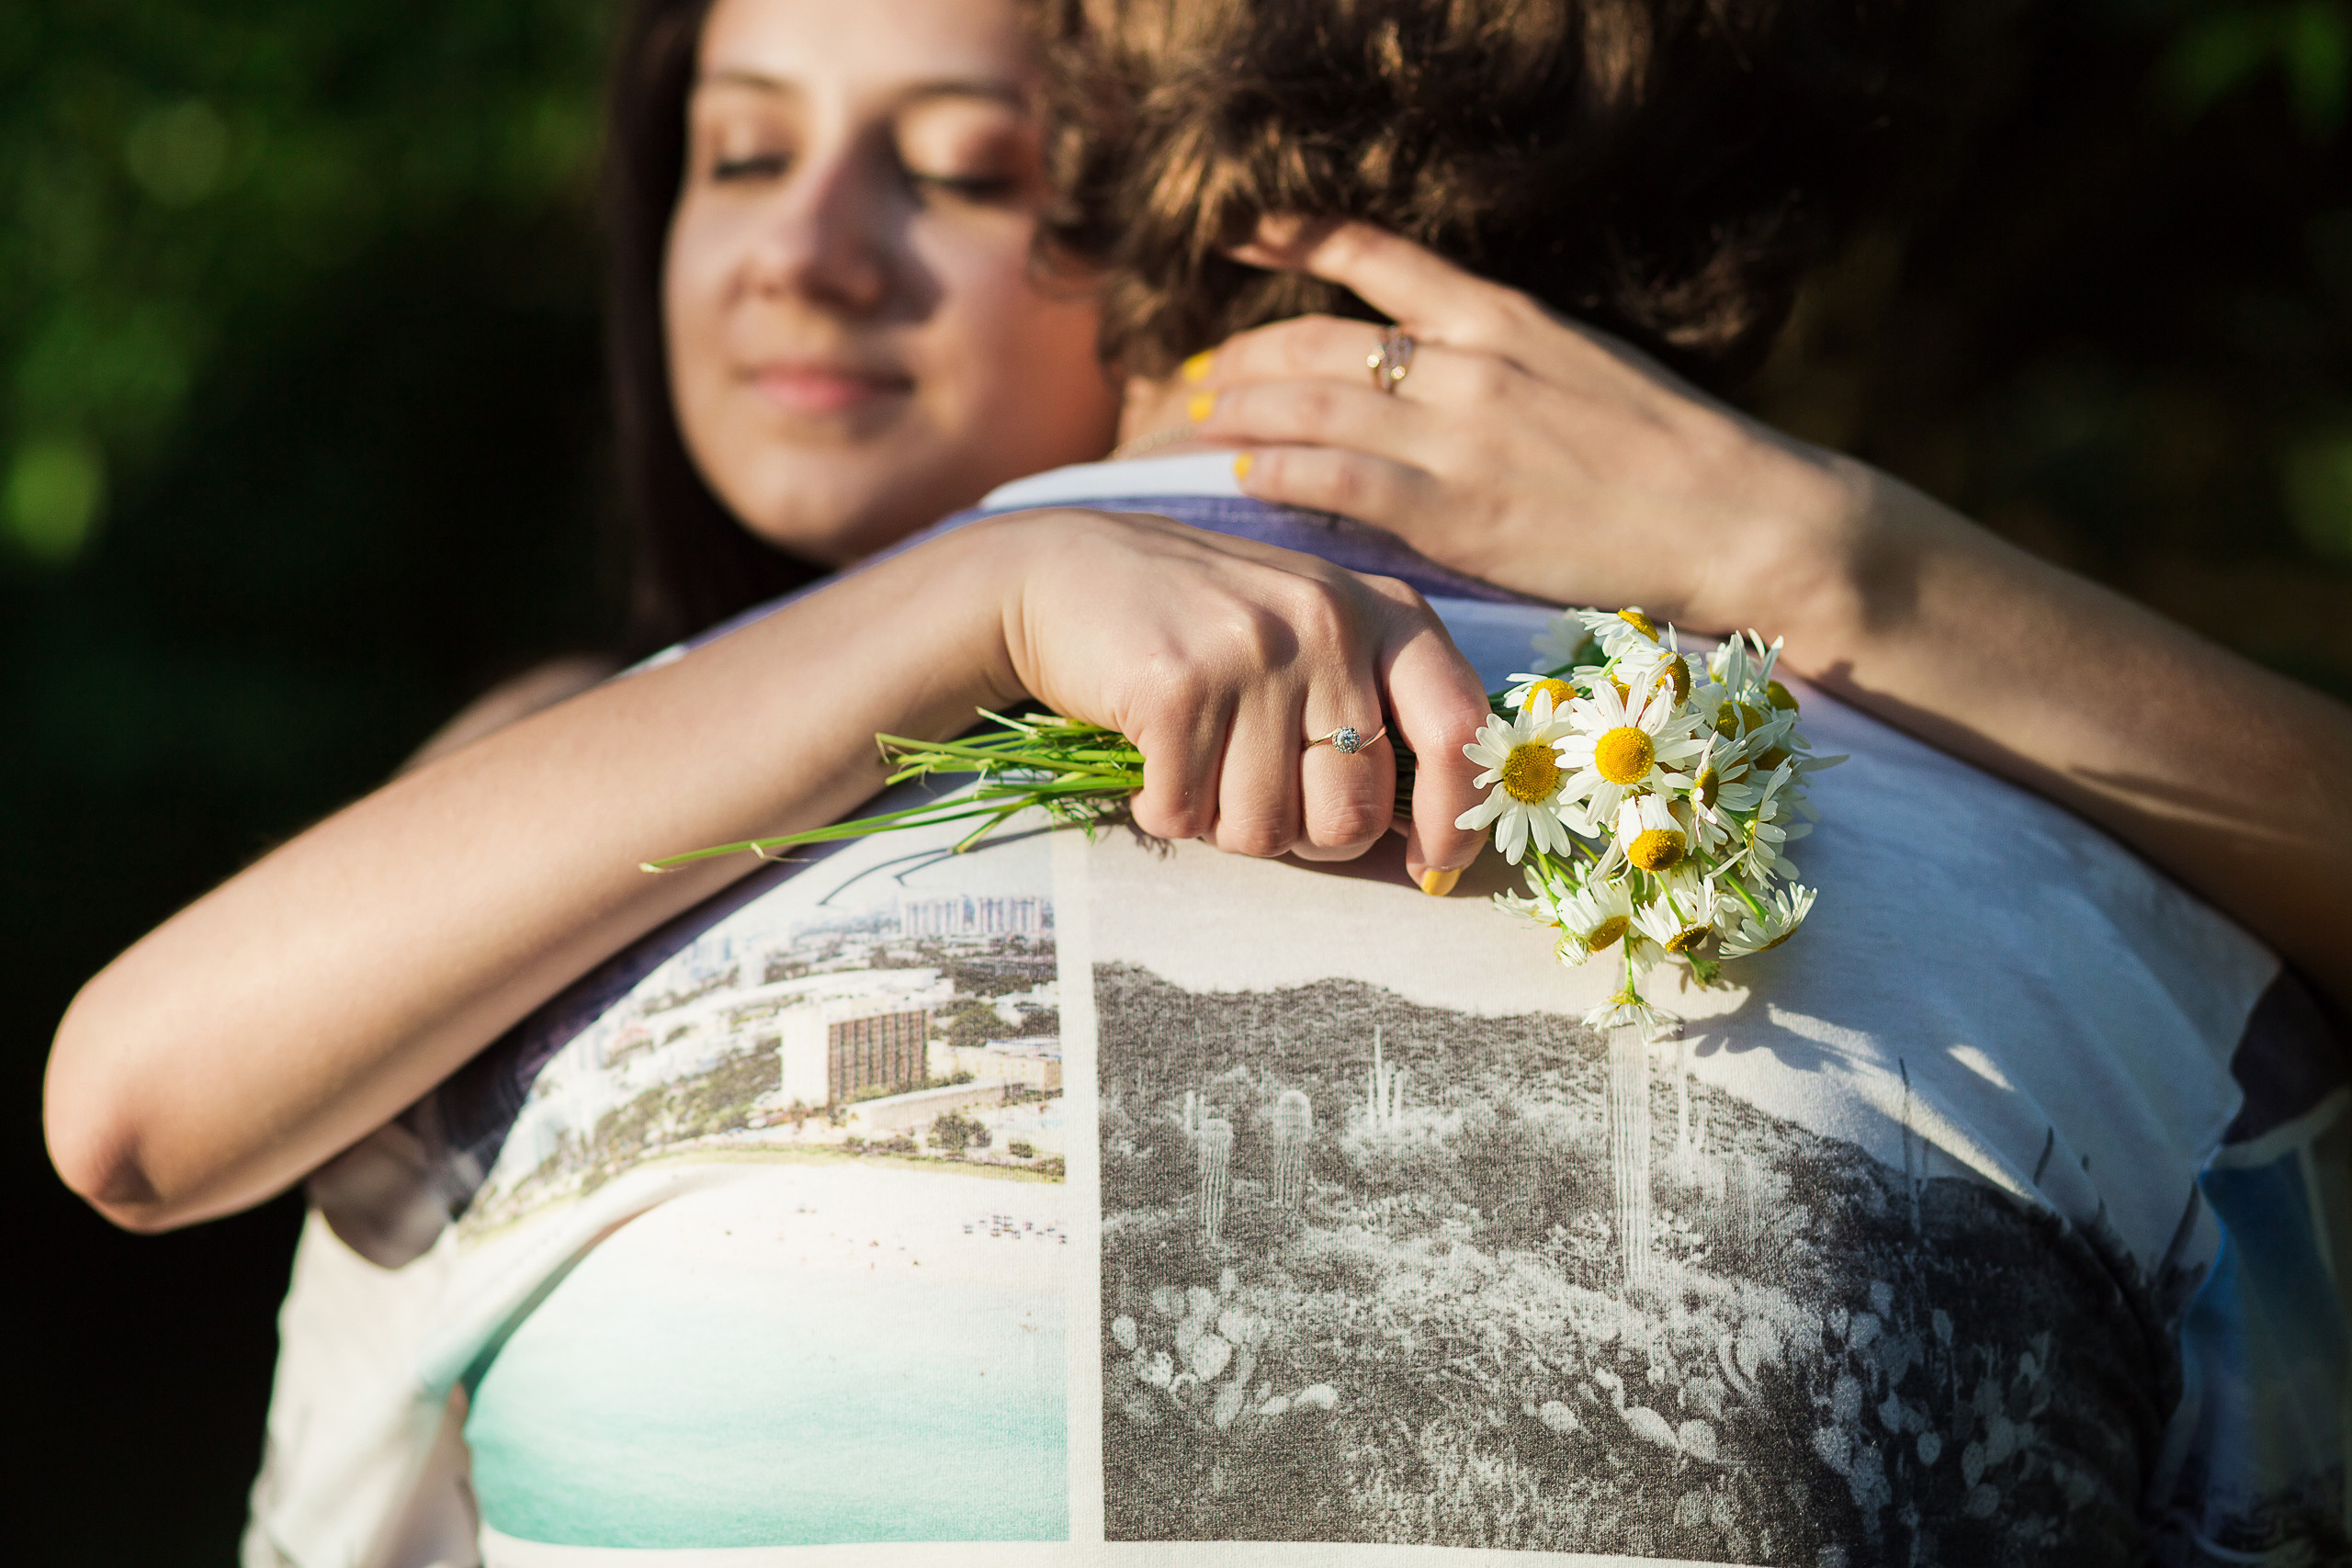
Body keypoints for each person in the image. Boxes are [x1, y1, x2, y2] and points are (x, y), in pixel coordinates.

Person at [38, 0, 2349, 1560]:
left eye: (970, 170)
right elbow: (133, 1102)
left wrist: (1807, 557)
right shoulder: (569, 779)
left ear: (1130, 225)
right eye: (734, 153)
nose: (807, 261)